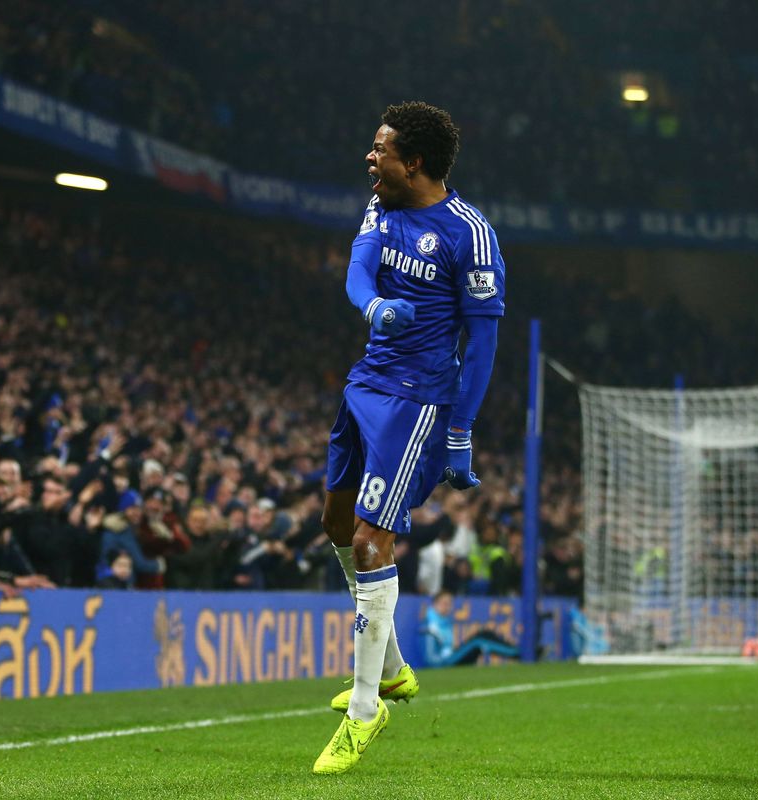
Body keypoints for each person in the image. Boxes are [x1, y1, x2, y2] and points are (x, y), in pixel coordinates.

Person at [315, 101, 506, 775]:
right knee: (336, 520)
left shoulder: (470, 236)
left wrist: (459, 432)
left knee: (372, 541)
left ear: (414, 161)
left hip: (419, 401)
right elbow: (358, 271)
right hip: (367, 380)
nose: (371, 159)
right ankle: (392, 669)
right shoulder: (380, 205)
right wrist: (374, 307)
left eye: (380, 149)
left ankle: (366, 712)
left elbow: (481, 348)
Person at [420, 590, 520, 667]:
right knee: (478, 641)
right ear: (435, 604)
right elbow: (430, 659)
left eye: (449, 604)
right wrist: (444, 661)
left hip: (450, 656)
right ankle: (517, 653)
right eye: (444, 603)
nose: (447, 607)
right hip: (445, 661)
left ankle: (515, 650)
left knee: (484, 633)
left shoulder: (444, 621)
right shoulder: (430, 624)